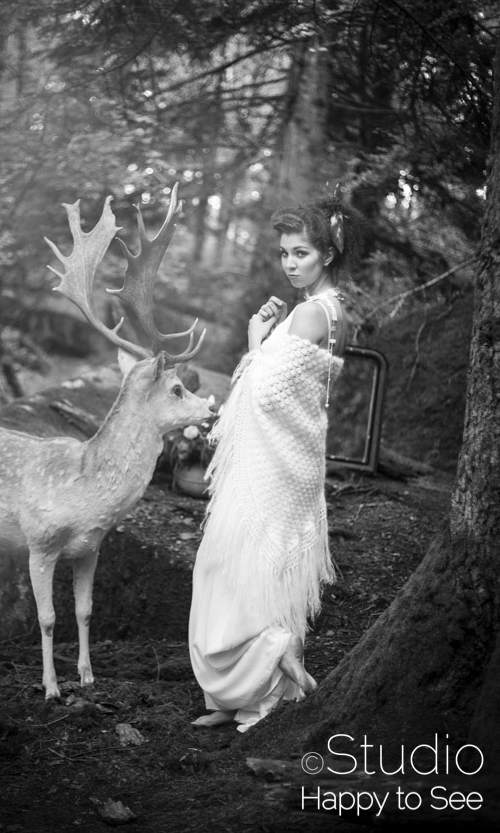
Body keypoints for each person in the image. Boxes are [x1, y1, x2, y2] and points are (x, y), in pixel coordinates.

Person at [188, 198, 358, 732]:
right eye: (284, 253)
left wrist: (255, 342)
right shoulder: (332, 311)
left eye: (302, 253)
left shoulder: (312, 312)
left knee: (241, 568)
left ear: (327, 254)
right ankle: (250, 693)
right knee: (260, 570)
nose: (290, 263)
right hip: (292, 461)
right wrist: (270, 342)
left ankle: (258, 689)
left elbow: (263, 391)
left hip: (274, 467)